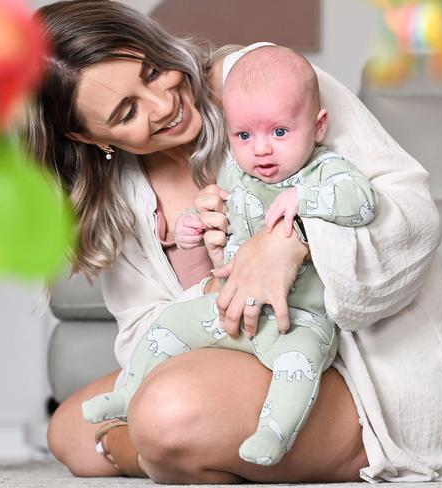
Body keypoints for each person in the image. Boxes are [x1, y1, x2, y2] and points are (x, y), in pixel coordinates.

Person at [27, 0, 442, 483]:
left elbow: (411, 213)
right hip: (233, 354)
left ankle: (158, 449)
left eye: (154, 71)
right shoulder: (122, 192)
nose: (164, 105)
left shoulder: (268, 79)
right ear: (89, 137)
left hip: (343, 370)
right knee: (70, 430)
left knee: (164, 414)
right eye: (126, 112)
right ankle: (169, 450)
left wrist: (291, 241)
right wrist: (216, 279)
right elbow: (143, 332)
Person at [80, 45, 377, 468]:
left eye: (279, 134)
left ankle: (274, 433)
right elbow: (222, 215)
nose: (262, 151)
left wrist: (300, 211)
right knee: (166, 328)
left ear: (318, 127)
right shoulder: (239, 174)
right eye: (244, 136)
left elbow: (364, 201)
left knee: (298, 364)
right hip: (230, 318)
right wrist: (195, 226)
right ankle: (130, 398)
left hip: (297, 317)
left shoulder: (321, 169)